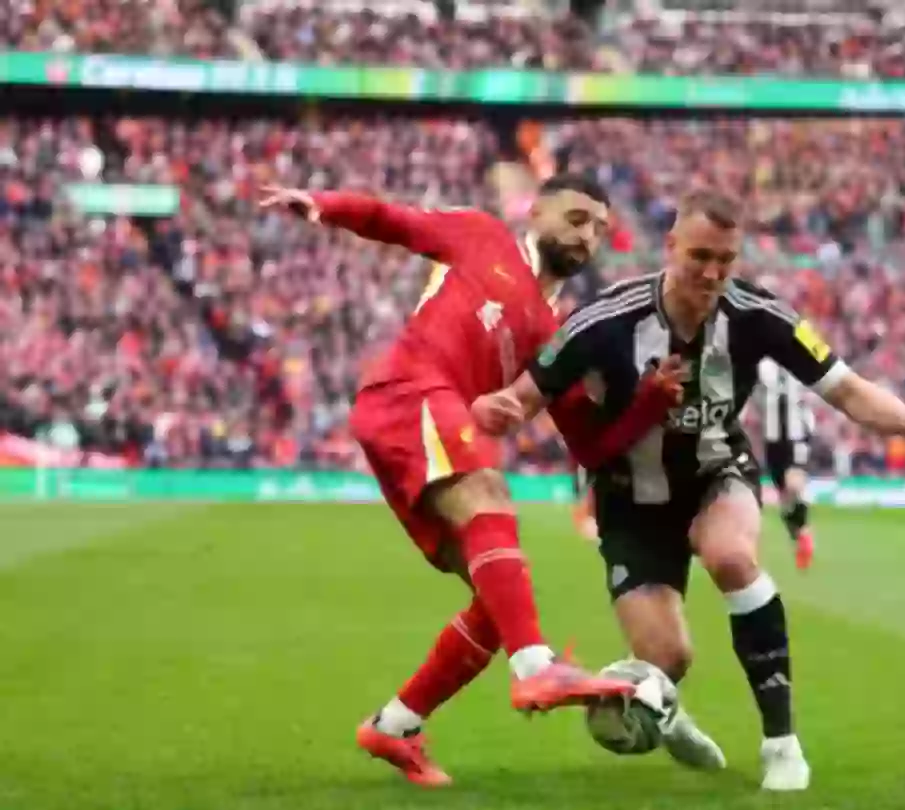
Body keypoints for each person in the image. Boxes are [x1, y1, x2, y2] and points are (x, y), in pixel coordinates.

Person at [472, 189, 905, 791]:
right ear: (671, 246)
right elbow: (524, 396)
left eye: (725, 260)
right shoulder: (605, 319)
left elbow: (848, 390)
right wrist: (498, 408)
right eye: (700, 256)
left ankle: (781, 743)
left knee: (731, 556)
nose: (711, 273)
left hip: (717, 473)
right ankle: (667, 711)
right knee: (666, 661)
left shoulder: (759, 315)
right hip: (630, 501)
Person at [257, 175, 681, 787]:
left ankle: (396, 724)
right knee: (489, 493)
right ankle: (534, 666)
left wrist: (649, 404)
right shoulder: (482, 235)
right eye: (576, 218)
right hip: (410, 391)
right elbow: (394, 221)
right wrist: (323, 205)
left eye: (598, 228)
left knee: (495, 604)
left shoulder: (556, 334)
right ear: (536, 211)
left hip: (429, 424)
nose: (586, 236)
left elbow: (589, 442)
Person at [756, 358, 817, 569]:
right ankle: (800, 535)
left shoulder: (798, 360)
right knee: (784, 496)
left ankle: (805, 534)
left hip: (797, 435)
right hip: (772, 441)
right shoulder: (761, 365)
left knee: (793, 484)